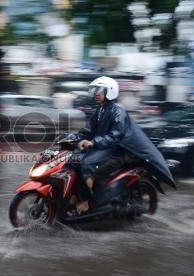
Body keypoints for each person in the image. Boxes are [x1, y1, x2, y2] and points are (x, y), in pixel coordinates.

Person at [67, 76, 175, 217]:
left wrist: (93, 142)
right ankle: (75, 195)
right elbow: (86, 132)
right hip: (103, 150)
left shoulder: (119, 113)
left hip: (117, 153)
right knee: (72, 161)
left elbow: (115, 136)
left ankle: (85, 202)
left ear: (109, 92)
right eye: (95, 90)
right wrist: (70, 138)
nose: (96, 94)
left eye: (99, 90)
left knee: (86, 167)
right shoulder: (99, 112)